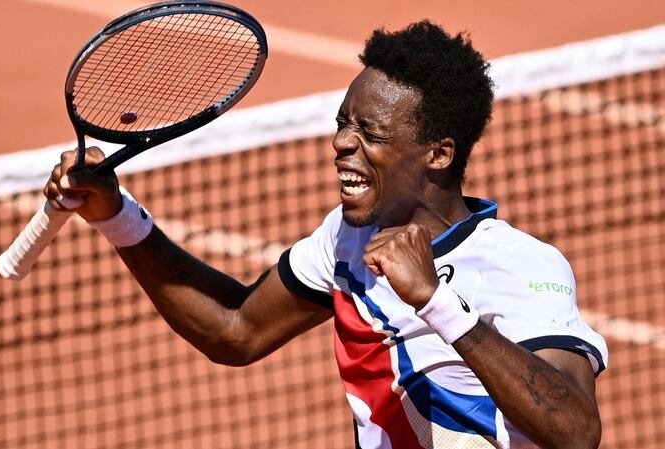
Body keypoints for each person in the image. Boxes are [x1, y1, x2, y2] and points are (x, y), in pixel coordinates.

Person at [45, 21, 607, 449]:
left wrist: (437, 304)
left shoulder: (521, 265)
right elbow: (236, 330)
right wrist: (115, 214)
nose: (341, 143)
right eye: (343, 122)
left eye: (369, 131)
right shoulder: (345, 239)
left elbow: (577, 431)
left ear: (437, 153)